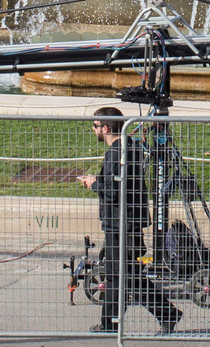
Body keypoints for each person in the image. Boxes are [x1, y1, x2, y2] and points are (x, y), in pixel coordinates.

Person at [76, 106, 177, 334]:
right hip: (125, 223)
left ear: (105, 127)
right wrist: (98, 179)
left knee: (122, 277)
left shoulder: (116, 152)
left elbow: (114, 191)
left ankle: (159, 316)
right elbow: (120, 184)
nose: (93, 130)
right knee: (121, 276)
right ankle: (112, 323)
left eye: (95, 126)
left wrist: (94, 184)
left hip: (122, 225)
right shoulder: (129, 147)